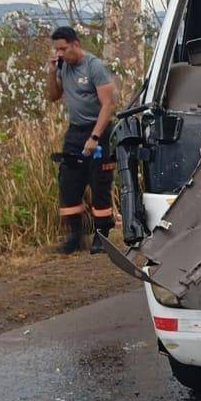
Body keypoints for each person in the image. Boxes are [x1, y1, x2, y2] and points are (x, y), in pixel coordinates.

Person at [45, 26, 116, 254]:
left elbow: (108, 105)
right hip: (75, 132)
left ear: (76, 44)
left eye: (63, 49)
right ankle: (75, 237)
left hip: (99, 131)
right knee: (69, 183)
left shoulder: (94, 66)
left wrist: (95, 137)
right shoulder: (63, 67)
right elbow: (53, 96)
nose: (60, 54)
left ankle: (101, 236)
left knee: (99, 184)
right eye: (57, 50)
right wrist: (51, 71)